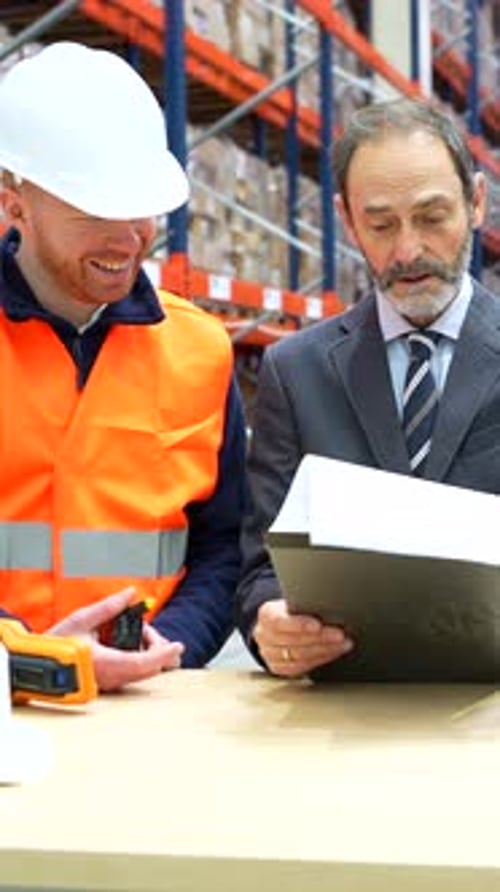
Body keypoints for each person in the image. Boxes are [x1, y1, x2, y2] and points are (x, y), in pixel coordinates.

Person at [0, 42, 247, 691]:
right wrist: (30, 658)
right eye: (93, 213)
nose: (128, 237)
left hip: (150, 707)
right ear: (12, 201)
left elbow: (223, 546)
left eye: (140, 209)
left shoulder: (200, 349)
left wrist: (172, 648)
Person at [236, 97, 495, 678]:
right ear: (347, 220)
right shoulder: (296, 372)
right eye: (380, 225)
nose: (407, 251)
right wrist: (270, 624)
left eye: (432, 217)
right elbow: (259, 571)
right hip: (343, 710)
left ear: (476, 202)